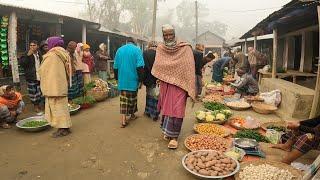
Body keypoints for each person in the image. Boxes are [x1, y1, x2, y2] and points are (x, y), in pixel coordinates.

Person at [152, 24, 196, 149]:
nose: (168, 37)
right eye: (165, 35)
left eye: (170, 34)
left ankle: (174, 137)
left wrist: (189, 83)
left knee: (177, 110)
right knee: (167, 108)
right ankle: (167, 132)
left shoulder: (185, 47)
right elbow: (159, 64)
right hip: (166, 83)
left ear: (174, 33)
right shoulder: (161, 48)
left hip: (180, 84)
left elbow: (189, 66)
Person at [39, 36, 72, 138]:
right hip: (61, 85)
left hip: (53, 86)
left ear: (52, 44)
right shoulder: (64, 53)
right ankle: (65, 127)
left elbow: (43, 70)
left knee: (57, 108)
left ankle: (62, 129)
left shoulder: (52, 55)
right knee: (62, 107)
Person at [113, 37, 144, 128]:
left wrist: (117, 78)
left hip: (122, 80)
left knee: (123, 100)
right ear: (134, 43)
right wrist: (141, 80)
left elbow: (115, 66)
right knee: (133, 98)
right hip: (133, 80)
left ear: (126, 42)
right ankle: (132, 115)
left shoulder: (119, 50)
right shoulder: (137, 50)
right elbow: (140, 67)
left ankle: (124, 120)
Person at [19, 40, 43, 114]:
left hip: (39, 75)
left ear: (37, 46)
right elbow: (22, 64)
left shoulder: (39, 53)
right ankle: (35, 106)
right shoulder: (26, 53)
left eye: (34, 45)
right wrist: (27, 56)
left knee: (39, 92)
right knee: (33, 93)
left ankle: (38, 104)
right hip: (31, 76)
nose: (32, 47)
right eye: (31, 45)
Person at [143, 41, 160, 121]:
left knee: (149, 94)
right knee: (156, 95)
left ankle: (148, 111)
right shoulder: (159, 53)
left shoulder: (145, 53)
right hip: (156, 78)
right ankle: (155, 113)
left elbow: (143, 66)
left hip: (147, 78)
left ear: (149, 45)